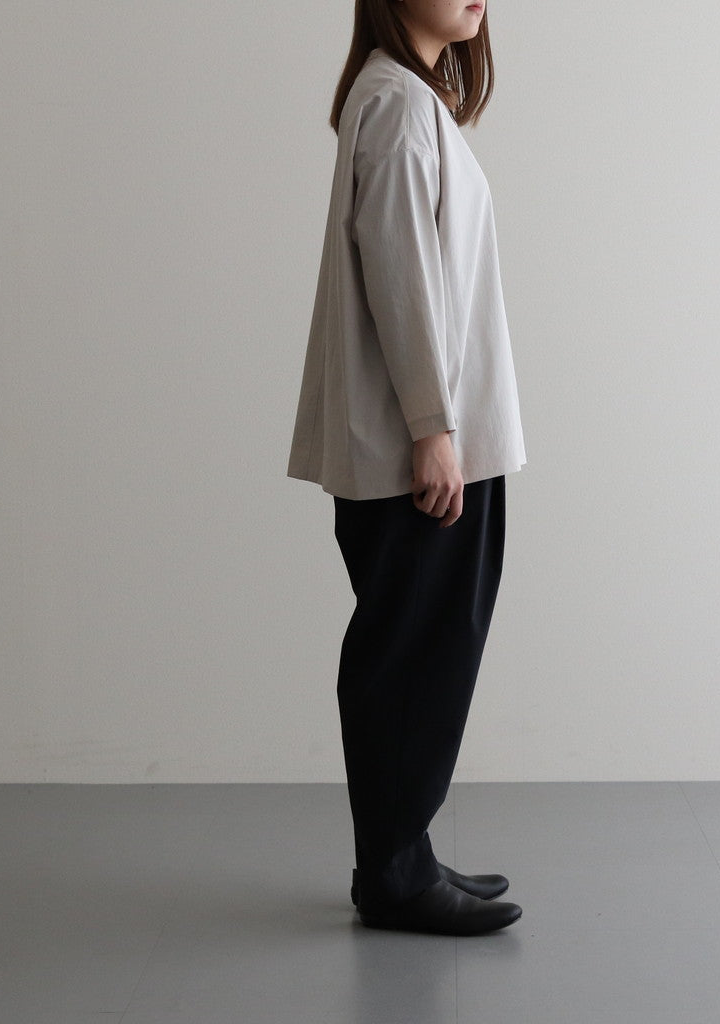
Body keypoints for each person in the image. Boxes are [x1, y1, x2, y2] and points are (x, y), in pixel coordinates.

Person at [287, 0, 525, 936]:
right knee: (413, 654)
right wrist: (433, 426)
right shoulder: (394, 102)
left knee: (426, 647)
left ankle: (403, 855)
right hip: (420, 447)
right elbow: (401, 272)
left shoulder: (408, 99)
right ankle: (393, 875)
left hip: (438, 437)